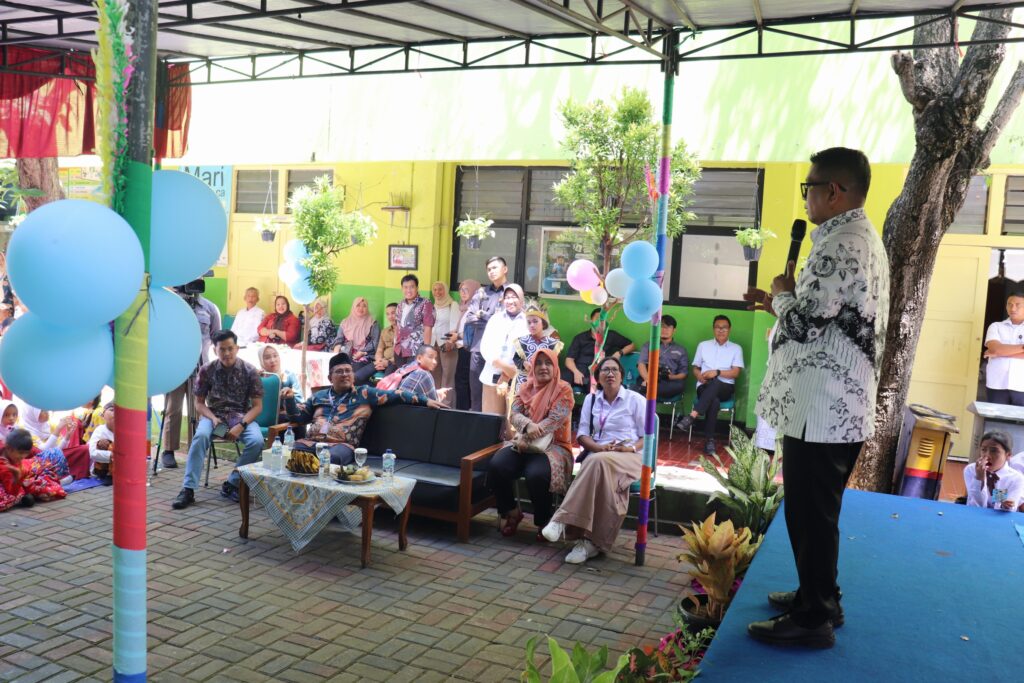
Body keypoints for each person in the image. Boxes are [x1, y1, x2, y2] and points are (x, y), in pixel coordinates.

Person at [746, 147, 889, 649]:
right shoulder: (855, 238)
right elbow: (830, 321)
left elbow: (806, 323)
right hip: (829, 405)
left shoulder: (841, 243)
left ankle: (815, 618)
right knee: (813, 510)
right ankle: (820, 595)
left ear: (834, 191)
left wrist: (782, 294)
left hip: (822, 409)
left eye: (809, 187)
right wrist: (779, 304)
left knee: (811, 512)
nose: (805, 196)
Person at [541, 356, 644, 564]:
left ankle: (561, 520)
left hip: (629, 456)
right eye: (605, 370)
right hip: (600, 454)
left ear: (622, 375)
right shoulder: (591, 400)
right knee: (597, 463)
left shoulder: (635, 400)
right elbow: (582, 434)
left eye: (614, 370)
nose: (610, 374)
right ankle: (590, 543)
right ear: (598, 377)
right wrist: (598, 447)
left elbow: (647, 437)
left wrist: (629, 447)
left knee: (595, 462)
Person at [171, 330, 265, 510]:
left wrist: (241, 425)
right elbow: (199, 403)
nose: (227, 353)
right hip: (213, 415)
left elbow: (257, 406)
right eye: (222, 349)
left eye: (230, 348)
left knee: (257, 440)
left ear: (237, 348)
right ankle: (188, 489)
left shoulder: (250, 371)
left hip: (240, 415)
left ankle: (232, 482)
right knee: (200, 438)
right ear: (215, 350)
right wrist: (213, 418)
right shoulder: (207, 370)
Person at [294, 352, 443, 465]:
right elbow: (299, 418)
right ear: (329, 377)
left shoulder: (364, 393)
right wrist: (288, 400)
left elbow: (398, 394)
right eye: (339, 371)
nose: (345, 375)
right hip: (312, 443)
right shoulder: (318, 396)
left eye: (348, 371)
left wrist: (425, 400)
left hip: (341, 447)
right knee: (293, 452)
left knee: (330, 458)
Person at [487, 348, 574, 539]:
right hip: (523, 442)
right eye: (539, 363)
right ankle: (511, 512)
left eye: (548, 363)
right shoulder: (525, 387)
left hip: (554, 446)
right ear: (532, 367)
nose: (543, 367)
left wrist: (526, 437)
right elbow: (514, 414)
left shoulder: (564, 389)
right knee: (496, 466)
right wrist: (526, 426)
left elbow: (554, 420)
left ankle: (543, 521)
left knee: (537, 475)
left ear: (555, 366)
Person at [160, 283, 222, 469]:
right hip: (176, 366)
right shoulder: (172, 305)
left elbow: (217, 338)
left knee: (198, 409)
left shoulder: (210, 308)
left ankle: (197, 448)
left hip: (201, 367)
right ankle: (169, 450)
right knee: (173, 408)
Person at [674, 316, 744, 454]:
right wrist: (699, 375)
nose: (721, 330)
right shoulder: (703, 345)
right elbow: (695, 368)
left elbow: (736, 373)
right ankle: (709, 441)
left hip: (726, 388)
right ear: (713, 329)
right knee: (714, 401)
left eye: (724, 327)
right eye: (718, 327)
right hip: (704, 386)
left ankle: (692, 416)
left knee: (716, 383)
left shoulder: (736, 348)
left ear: (729, 329)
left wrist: (716, 372)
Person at [460, 256, 512, 411]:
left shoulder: (512, 293)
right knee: (476, 393)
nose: (491, 272)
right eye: (489, 269)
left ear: (505, 269)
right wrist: (492, 319)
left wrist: (483, 316)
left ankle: (500, 430)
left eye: (495, 268)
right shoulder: (481, 292)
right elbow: (469, 318)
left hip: (501, 354)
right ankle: (476, 429)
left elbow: (507, 321)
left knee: (500, 393)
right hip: (478, 349)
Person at [479, 285, 528, 416]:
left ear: (521, 299)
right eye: (507, 297)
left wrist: (507, 373)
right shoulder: (495, 319)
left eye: (514, 297)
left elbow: (528, 350)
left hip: (516, 378)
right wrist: (499, 364)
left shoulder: (527, 321)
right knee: (490, 420)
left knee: (513, 423)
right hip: (492, 374)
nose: (510, 301)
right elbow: (484, 346)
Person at [562, 308, 635, 392]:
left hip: (598, 371)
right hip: (578, 369)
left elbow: (632, 345)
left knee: (597, 389)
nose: (599, 322)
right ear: (591, 321)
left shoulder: (611, 336)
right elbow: (569, 359)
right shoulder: (580, 338)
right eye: (597, 319)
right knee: (561, 383)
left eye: (602, 320)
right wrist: (575, 372)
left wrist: (619, 353)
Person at [507, 300, 563, 397]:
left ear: (543, 324)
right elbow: (516, 359)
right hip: (523, 382)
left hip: (544, 384)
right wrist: (523, 363)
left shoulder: (552, 344)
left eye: (535, 321)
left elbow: (554, 366)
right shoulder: (521, 341)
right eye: (529, 322)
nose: (532, 325)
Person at [965, 430, 1024, 510]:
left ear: (1008, 455)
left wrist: (1004, 504)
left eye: (994, 451)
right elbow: (975, 506)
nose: (987, 455)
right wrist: (979, 479)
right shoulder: (971, 470)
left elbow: (1010, 509)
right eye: (983, 449)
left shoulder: (1015, 478)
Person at [983, 293, 1024, 405]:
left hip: (1022, 385)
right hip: (997, 384)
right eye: (1009, 304)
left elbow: (997, 352)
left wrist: (1000, 353)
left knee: (1021, 421)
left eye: (1017, 305)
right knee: (995, 421)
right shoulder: (996, 326)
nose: (1013, 308)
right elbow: (995, 349)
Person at [635, 314, 688, 400]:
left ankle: (645, 389)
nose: (664, 330)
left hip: (669, 382)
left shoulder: (681, 349)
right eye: (661, 326)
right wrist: (648, 379)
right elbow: (641, 364)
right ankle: (646, 387)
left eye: (668, 327)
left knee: (680, 385)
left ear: (674, 330)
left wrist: (672, 377)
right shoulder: (648, 345)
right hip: (649, 377)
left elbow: (684, 373)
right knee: (641, 380)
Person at [332, 297, 381, 384]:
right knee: (338, 370)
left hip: (366, 355)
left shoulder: (373, 323)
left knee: (354, 371)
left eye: (364, 306)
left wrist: (362, 352)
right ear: (353, 307)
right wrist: (335, 354)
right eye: (358, 305)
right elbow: (339, 340)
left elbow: (375, 343)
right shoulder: (345, 322)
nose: (361, 308)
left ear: (367, 308)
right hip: (347, 353)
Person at [393, 274, 435, 369]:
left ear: (417, 288)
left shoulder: (425, 303)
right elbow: (397, 327)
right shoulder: (400, 305)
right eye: (405, 287)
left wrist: (426, 351)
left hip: (415, 350)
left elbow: (428, 328)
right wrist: (395, 346)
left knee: (412, 379)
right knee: (401, 379)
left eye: (412, 287)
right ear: (402, 289)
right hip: (400, 350)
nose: (408, 290)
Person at [430, 281, 461, 407]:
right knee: (435, 375)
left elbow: (455, 325)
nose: (437, 292)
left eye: (440, 289)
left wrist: (450, 342)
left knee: (448, 376)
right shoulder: (433, 306)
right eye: (435, 290)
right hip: (433, 345)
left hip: (447, 345)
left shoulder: (452, 305)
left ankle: (447, 405)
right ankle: (437, 402)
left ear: (446, 290)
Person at [453, 279, 481, 411]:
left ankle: (463, 411)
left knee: (463, 381)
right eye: (461, 290)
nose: (463, 293)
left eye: (466, 290)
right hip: (462, 348)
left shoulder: (474, 309)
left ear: (474, 292)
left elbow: (474, 332)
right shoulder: (463, 307)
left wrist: (457, 336)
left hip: (469, 350)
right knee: (462, 381)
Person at [259, 345, 303, 423]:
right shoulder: (259, 378)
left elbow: (299, 400)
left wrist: (289, 398)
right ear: (261, 361)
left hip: (286, 417)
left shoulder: (289, 376)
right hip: (262, 418)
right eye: (267, 357)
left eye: (275, 356)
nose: (272, 360)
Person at [0, 429, 37, 511]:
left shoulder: (11, 451)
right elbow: (11, 492)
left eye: (26, 453)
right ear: (9, 448)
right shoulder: (4, 465)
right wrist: (17, 476)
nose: (23, 456)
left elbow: (35, 452)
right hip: (9, 487)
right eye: (20, 453)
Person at [87, 402, 116, 485]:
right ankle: (108, 475)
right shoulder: (100, 430)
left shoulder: (125, 430)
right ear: (103, 416)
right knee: (103, 443)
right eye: (111, 410)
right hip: (104, 468)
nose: (115, 413)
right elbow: (92, 453)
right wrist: (111, 455)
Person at [373, 302, 400, 377]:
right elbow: (379, 350)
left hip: (394, 363)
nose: (390, 317)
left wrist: (387, 362)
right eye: (388, 314)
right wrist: (379, 360)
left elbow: (403, 355)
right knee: (358, 376)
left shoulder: (405, 332)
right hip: (382, 361)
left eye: (393, 313)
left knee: (386, 381)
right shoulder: (384, 331)